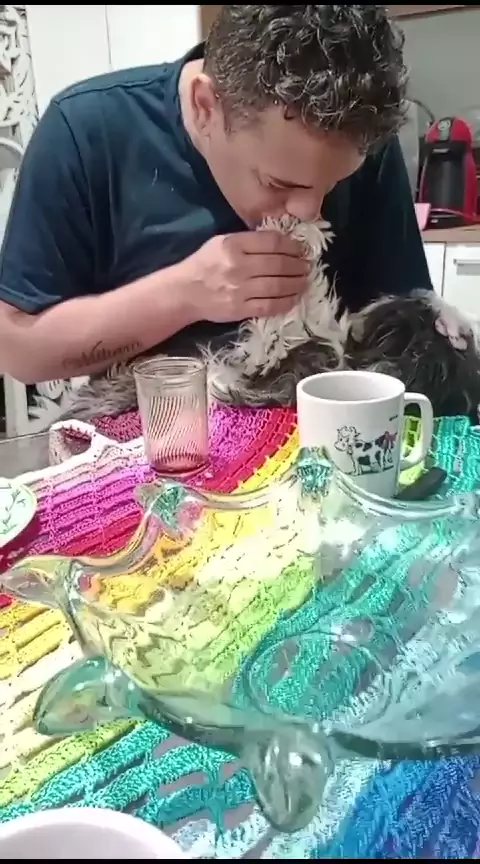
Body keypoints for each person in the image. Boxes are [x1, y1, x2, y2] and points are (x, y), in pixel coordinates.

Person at [0, 5, 435, 385]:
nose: (309, 211)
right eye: (279, 183)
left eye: (337, 181)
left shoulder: (363, 136)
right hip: (158, 439)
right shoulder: (84, 133)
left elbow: (409, 326)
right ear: (205, 106)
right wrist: (185, 294)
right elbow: (18, 351)